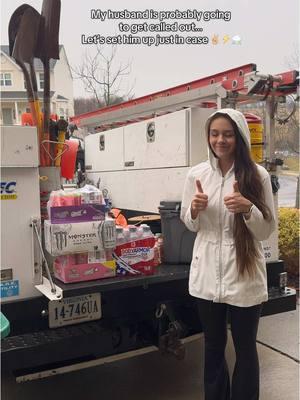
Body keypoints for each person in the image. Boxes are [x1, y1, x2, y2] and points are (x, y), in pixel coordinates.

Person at [180, 108, 275, 400]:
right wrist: (193, 210)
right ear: (208, 137)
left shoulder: (257, 175)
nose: (220, 140)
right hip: (207, 274)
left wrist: (248, 209)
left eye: (228, 134)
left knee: (245, 349)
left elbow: (267, 230)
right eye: (214, 133)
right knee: (213, 346)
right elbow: (189, 221)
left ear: (239, 137)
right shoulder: (196, 174)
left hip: (243, 271)